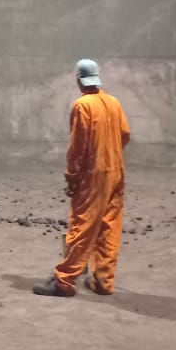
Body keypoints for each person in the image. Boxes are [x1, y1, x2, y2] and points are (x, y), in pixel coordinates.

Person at [34, 59, 130, 298]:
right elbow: (125, 135)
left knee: (82, 224)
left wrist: (72, 175)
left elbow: (77, 147)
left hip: (92, 174)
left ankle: (65, 281)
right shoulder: (113, 102)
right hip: (116, 172)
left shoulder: (82, 105)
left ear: (78, 79)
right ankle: (102, 281)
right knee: (109, 225)